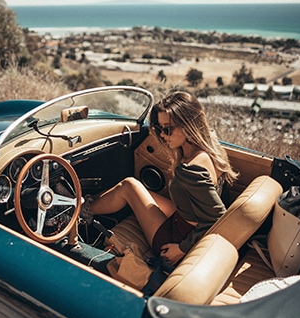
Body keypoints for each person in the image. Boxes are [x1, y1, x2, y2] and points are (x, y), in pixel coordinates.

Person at [83, 91, 237, 265]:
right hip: (185, 218)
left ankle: (83, 212)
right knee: (136, 188)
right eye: (159, 128)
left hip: (174, 239)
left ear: (188, 125)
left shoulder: (191, 167)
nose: (162, 135)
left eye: (167, 129)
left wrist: (181, 249)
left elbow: (217, 218)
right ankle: (89, 202)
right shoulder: (211, 150)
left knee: (129, 186)